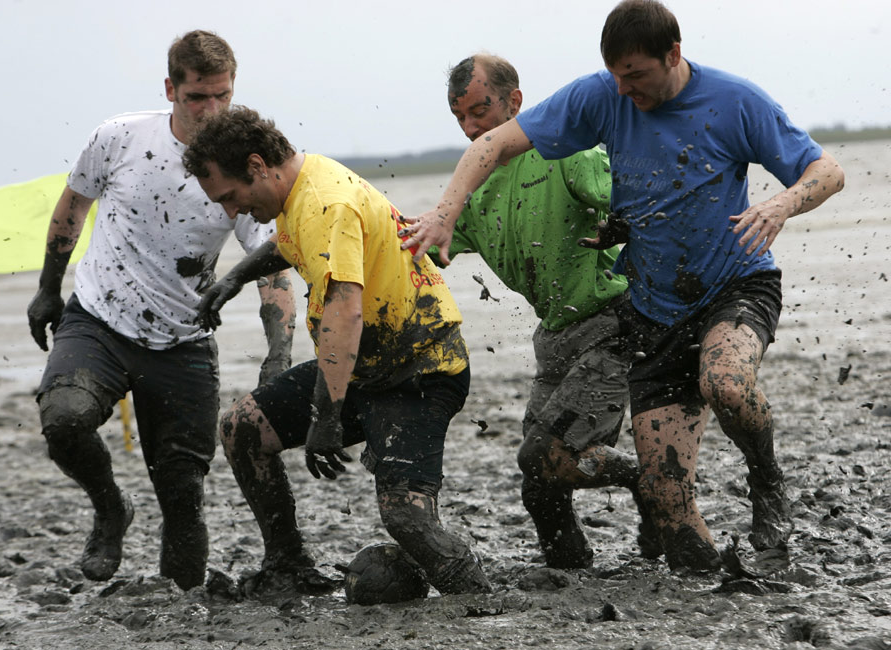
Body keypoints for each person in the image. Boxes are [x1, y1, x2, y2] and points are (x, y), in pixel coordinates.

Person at [401, 0, 845, 572]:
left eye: (635, 74)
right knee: (671, 521)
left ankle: (766, 481)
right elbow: (490, 146)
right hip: (652, 315)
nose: (623, 88)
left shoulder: (736, 100)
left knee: (725, 384)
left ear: (673, 54)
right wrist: (441, 215)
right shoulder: (602, 94)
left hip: (734, 285)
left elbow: (827, 171)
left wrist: (781, 204)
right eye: (615, 74)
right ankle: (717, 579)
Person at [182, 106, 492, 595]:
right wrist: (234, 278)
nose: (231, 212)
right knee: (242, 428)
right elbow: (289, 244)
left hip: (420, 371)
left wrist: (326, 416)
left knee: (405, 518)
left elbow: (345, 313)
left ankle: (481, 599)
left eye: (230, 196)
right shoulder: (300, 193)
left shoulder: (326, 202)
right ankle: (287, 564)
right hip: (363, 368)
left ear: (258, 166)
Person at [26, 31, 296, 590]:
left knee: (182, 493)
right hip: (98, 319)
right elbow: (73, 206)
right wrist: (48, 289)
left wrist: (279, 352)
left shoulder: (245, 165)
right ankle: (111, 507)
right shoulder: (119, 137)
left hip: (184, 339)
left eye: (222, 95)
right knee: (65, 421)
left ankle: (183, 607)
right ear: (171, 89)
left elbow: (271, 262)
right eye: (197, 97)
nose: (211, 110)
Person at [439, 53, 658, 568]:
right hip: (555, 336)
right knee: (537, 481)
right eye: (460, 118)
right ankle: (568, 571)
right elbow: (428, 244)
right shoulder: (476, 186)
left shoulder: (566, 151)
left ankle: (652, 484)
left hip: (613, 325)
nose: (470, 128)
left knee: (545, 453)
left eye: (479, 111)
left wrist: (625, 226)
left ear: (514, 102)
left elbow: (641, 200)